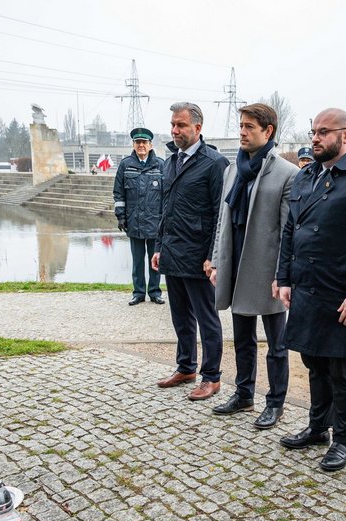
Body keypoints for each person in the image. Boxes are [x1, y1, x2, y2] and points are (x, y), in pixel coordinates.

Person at [276, 108, 346, 472]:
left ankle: (343, 439)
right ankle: (317, 427)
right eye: (314, 132)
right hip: (308, 289)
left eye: (324, 132)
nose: (315, 138)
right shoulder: (308, 175)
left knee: (342, 370)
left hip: (342, 294)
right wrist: (284, 278)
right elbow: (289, 232)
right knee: (313, 362)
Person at [210, 103, 299, 428]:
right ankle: (244, 393)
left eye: (249, 127)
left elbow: (288, 231)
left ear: (268, 131)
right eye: (241, 126)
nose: (242, 132)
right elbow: (223, 220)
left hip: (268, 273)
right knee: (242, 337)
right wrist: (218, 262)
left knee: (277, 344)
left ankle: (275, 402)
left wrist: (282, 274)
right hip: (235, 267)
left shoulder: (288, 173)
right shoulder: (232, 169)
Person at [151, 102, 229, 401]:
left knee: (206, 318)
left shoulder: (214, 163)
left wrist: (214, 256)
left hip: (199, 258)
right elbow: (164, 211)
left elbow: (219, 216)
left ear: (198, 128)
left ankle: (212, 377)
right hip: (172, 254)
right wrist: (159, 247)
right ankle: (186, 367)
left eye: (181, 125)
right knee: (181, 317)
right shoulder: (169, 162)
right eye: (173, 124)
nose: (175, 130)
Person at [113, 127, 165, 306]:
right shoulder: (125, 165)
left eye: (144, 142)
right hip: (134, 221)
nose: (141, 145)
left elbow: (166, 196)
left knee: (155, 260)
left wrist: (164, 220)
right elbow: (118, 193)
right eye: (138, 142)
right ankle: (138, 292)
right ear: (134, 145)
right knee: (137, 262)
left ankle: (155, 292)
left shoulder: (160, 165)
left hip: (155, 223)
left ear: (150, 145)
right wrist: (120, 216)